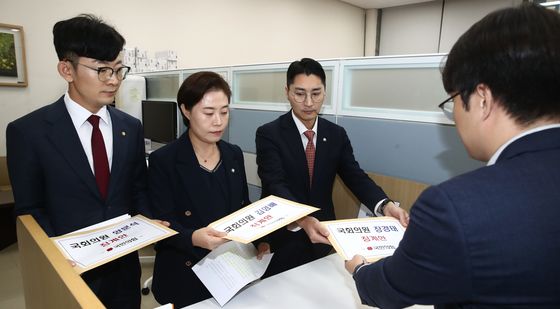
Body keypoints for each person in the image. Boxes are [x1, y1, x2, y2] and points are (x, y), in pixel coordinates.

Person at [345, 3, 560, 308]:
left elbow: (389, 288)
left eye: (454, 100)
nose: (454, 115)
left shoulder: (457, 207)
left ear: (482, 99)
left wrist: (361, 269)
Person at [6, 14, 153, 308]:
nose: (113, 80)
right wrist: (62, 256)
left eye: (118, 70)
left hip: (124, 272)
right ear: (66, 69)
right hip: (68, 274)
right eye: (101, 70)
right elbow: (30, 211)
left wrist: (151, 222)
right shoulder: (28, 132)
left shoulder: (130, 127)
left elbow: (137, 190)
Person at [256, 58, 409, 276]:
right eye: (300, 94)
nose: (309, 102)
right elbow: (275, 184)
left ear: (325, 93)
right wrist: (303, 219)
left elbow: (355, 176)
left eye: (316, 93)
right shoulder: (269, 134)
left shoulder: (336, 134)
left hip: (324, 235)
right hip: (283, 236)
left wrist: (385, 205)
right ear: (287, 92)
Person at [148, 71, 269, 307]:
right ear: (185, 110)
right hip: (186, 274)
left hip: (231, 270)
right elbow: (161, 225)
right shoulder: (165, 160)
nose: (218, 121)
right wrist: (192, 237)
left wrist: (259, 239)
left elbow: (242, 208)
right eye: (208, 113)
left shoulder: (233, 154)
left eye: (224, 112)